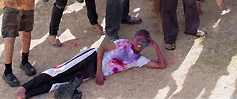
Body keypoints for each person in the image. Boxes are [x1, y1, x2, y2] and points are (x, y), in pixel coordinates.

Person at [16, 30, 166, 98]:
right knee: (60, 71)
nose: (139, 44)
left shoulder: (139, 60)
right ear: (133, 39)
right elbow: (101, 49)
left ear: (147, 44)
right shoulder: (123, 43)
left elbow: (161, 66)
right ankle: (24, 87)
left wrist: (157, 47)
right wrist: (99, 71)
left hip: (92, 71)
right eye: (138, 39)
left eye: (144, 42)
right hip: (91, 57)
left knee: (60, 82)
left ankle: (27, 95)